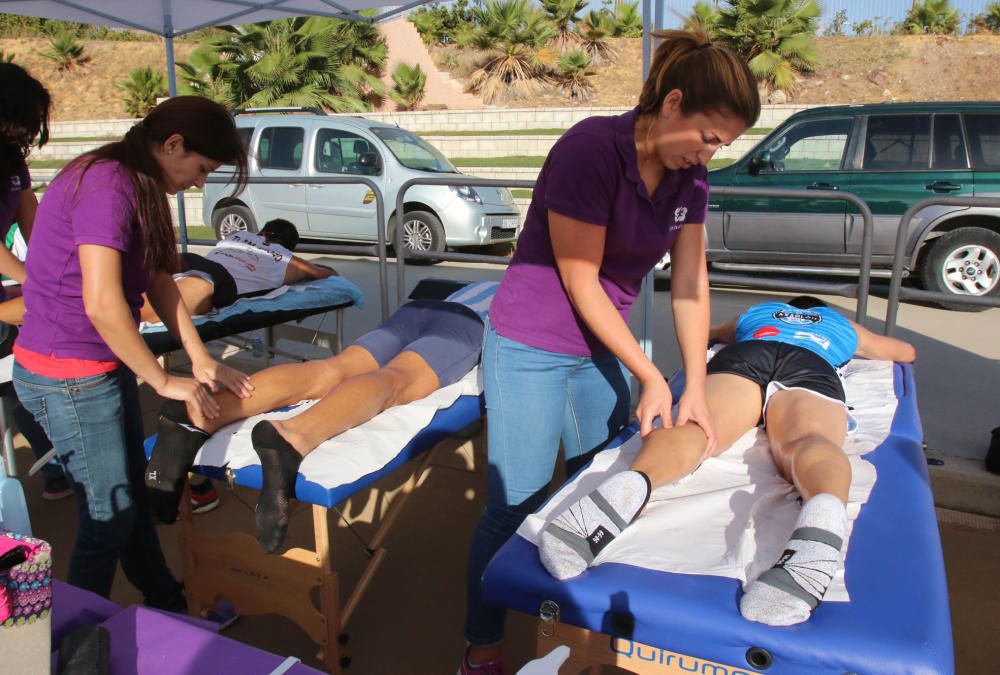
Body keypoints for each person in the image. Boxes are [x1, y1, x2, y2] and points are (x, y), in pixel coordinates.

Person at [459, 28, 760, 674]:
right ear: (673, 103)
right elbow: (579, 277)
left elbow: (689, 283)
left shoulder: (690, 180)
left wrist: (695, 386)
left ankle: (572, 631)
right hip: (532, 342)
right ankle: (481, 644)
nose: (709, 156)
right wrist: (651, 372)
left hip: (602, 345)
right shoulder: (589, 150)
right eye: (708, 137)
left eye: (723, 147)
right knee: (516, 501)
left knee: (604, 483)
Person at [538, 296, 917, 628]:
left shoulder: (758, 313)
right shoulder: (841, 325)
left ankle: (638, 480)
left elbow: (713, 335)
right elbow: (904, 353)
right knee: (808, 441)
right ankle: (821, 522)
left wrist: (741, 330)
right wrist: (850, 344)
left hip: (748, 354)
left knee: (700, 431)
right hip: (811, 365)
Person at [12, 96, 255, 609]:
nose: (199, 182)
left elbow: (159, 278)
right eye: (202, 168)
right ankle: (69, 644)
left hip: (96, 367)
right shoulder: (107, 184)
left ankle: (170, 606)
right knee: (109, 517)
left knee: (129, 504)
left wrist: (199, 354)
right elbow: (101, 303)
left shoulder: (137, 181)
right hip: (68, 372)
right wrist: (163, 380)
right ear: (172, 145)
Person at [145, 280, 498, 552]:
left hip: (416, 310)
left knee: (333, 369)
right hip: (466, 325)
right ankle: (294, 436)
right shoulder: (526, 291)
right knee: (395, 381)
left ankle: (203, 415)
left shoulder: (485, 283)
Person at [0, 63, 73, 500]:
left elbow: (35, 223)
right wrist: (37, 282)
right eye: (25, 120)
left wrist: (60, 270)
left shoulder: (12, 160)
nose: (30, 132)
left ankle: (56, 467)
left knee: (22, 375)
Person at [138, 218, 338, 324]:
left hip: (190, 260)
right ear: (288, 246)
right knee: (198, 290)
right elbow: (324, 272)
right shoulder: (286, 258)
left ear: (264, 232)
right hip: (219, 281)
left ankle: (123, 306)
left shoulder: (239, 235)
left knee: (155, 281)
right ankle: (125, 319)